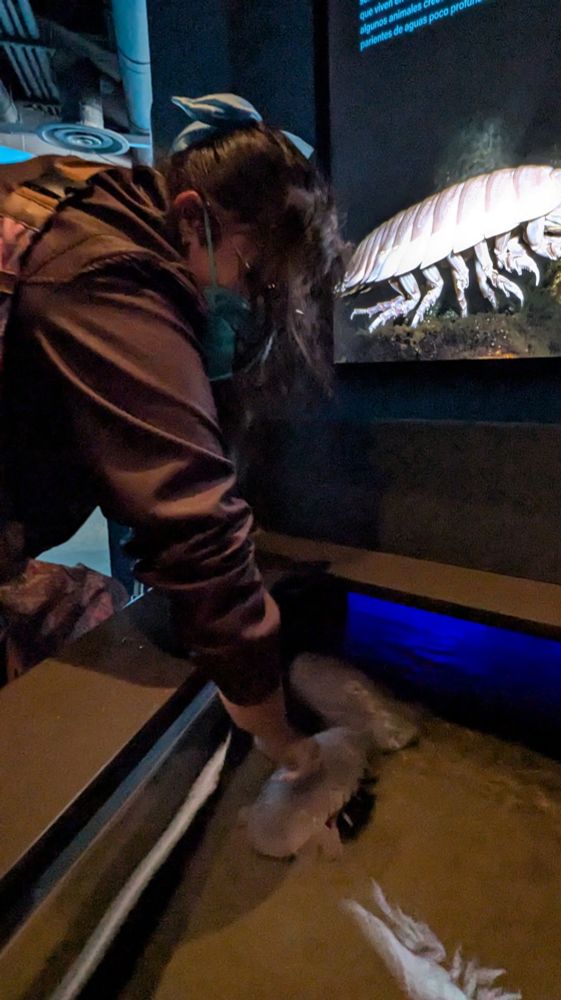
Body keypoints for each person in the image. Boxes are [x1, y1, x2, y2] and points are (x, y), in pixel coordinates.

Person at [0, 94, 344, 777]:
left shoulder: (90, 211)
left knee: (94, 603)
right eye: (253, 277)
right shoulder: (107, 267)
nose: (250, 305)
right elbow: (192, 521)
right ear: (191, 217)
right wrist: (281, 740)